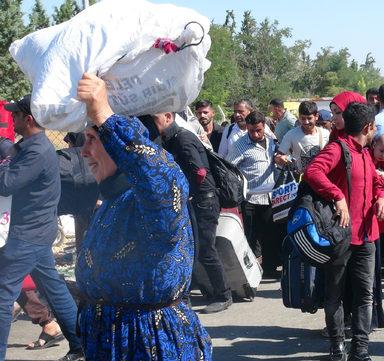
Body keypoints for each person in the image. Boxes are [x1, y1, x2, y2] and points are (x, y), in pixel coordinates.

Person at [74, 73, 212, 360]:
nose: (84, 151)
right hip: (109, 344)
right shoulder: (114, 200)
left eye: (92, 139)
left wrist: (104, 115)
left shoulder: (157, 200)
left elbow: (163, 177)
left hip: (150, 344)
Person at [0, 94, 83, 361]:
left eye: (15, 116)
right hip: (35, 232)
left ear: (29, 119)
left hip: (28, 236)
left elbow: (6, 184)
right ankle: (81, 346)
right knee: (55, 289)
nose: (11, 119)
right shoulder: (32, 145)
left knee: (3, 297)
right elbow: (11, 156)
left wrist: (4, 157)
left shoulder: (37, 151)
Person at [305, 102, 384, 361]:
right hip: (340, 237)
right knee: (335, 294)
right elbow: (312, 171)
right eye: (374, 126)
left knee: (365, 295)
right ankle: (336, 346)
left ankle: (360, 350)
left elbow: (378, 182)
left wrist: (383, 197)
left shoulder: (366, 152)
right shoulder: (337, 148)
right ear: (368, 127)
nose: (375, 129)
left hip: (367, 237)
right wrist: (337, 195)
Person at [148, 112, 233, 313]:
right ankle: (205, 291)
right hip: (197, 200)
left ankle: (223, 294)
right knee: (193, 249)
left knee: (205, 249)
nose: (152, 124)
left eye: (155, 119)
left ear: (168, 117)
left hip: (204, 200)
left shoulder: (182, 139)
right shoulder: (171, 139)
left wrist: (188, 192)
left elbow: (200, 172)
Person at [227, 111, 279, 275]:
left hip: (270, 197)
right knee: (251, 236)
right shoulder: (240, 146)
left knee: (270, 233)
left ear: (264, 126)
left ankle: (270, 268)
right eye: (251, 131)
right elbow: (229, 169)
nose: (255, 134)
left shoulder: (272, 142)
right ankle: (249, 271)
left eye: (259, 130)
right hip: (249, 199)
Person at [275, 101, 330, 174]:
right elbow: (278, 157)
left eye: (309, 118)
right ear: (299, 117)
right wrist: (282, 159)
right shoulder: (291, 135)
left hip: (323, 176)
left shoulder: (325, 134)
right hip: (303, 179)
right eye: (303, 118)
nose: (306, 122)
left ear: (316, 116)